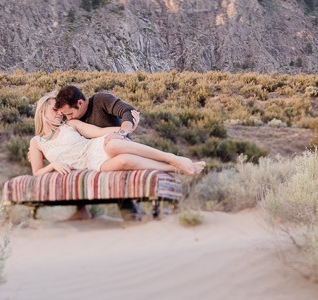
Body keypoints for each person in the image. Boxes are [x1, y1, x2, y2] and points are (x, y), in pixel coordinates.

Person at [29, 93, 205, 181]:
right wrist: (51, 166)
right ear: (42, 111)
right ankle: (176, 168)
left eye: (60, 110)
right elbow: (36, 173)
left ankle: (173, 158)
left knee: (112, 144)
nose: (60, 114)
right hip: (91, 164)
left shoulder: (70, 125)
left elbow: (97, 132)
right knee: (124, 162)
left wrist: (125, 129)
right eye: (55, 110)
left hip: (96, 147)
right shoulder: (36, 142)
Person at [54, 85, 140, 218]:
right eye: (66, 115)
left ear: (80, 103)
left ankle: (132, 214)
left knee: (116, 170)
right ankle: (82, 211)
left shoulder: (100, 99)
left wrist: (122, 132)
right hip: (96, 159)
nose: (69, 118)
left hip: (117, 148)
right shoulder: (73, 121)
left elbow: (128, 111)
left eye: (70, 114)